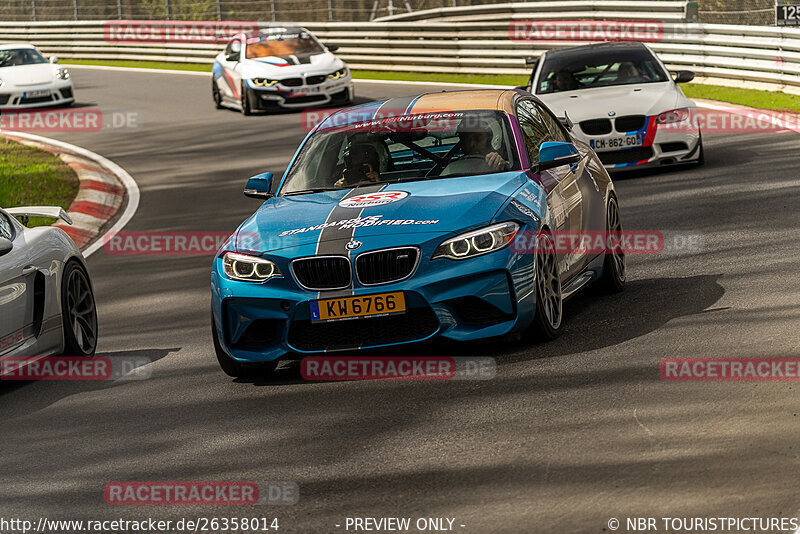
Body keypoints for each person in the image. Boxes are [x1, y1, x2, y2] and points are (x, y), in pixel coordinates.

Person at [442, 119, 509, 176]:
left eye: (478, 138)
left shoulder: (497, 161)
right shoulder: (451, 169)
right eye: (467, 139)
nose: (472, 144)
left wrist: (502, 166)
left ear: (488, 138)